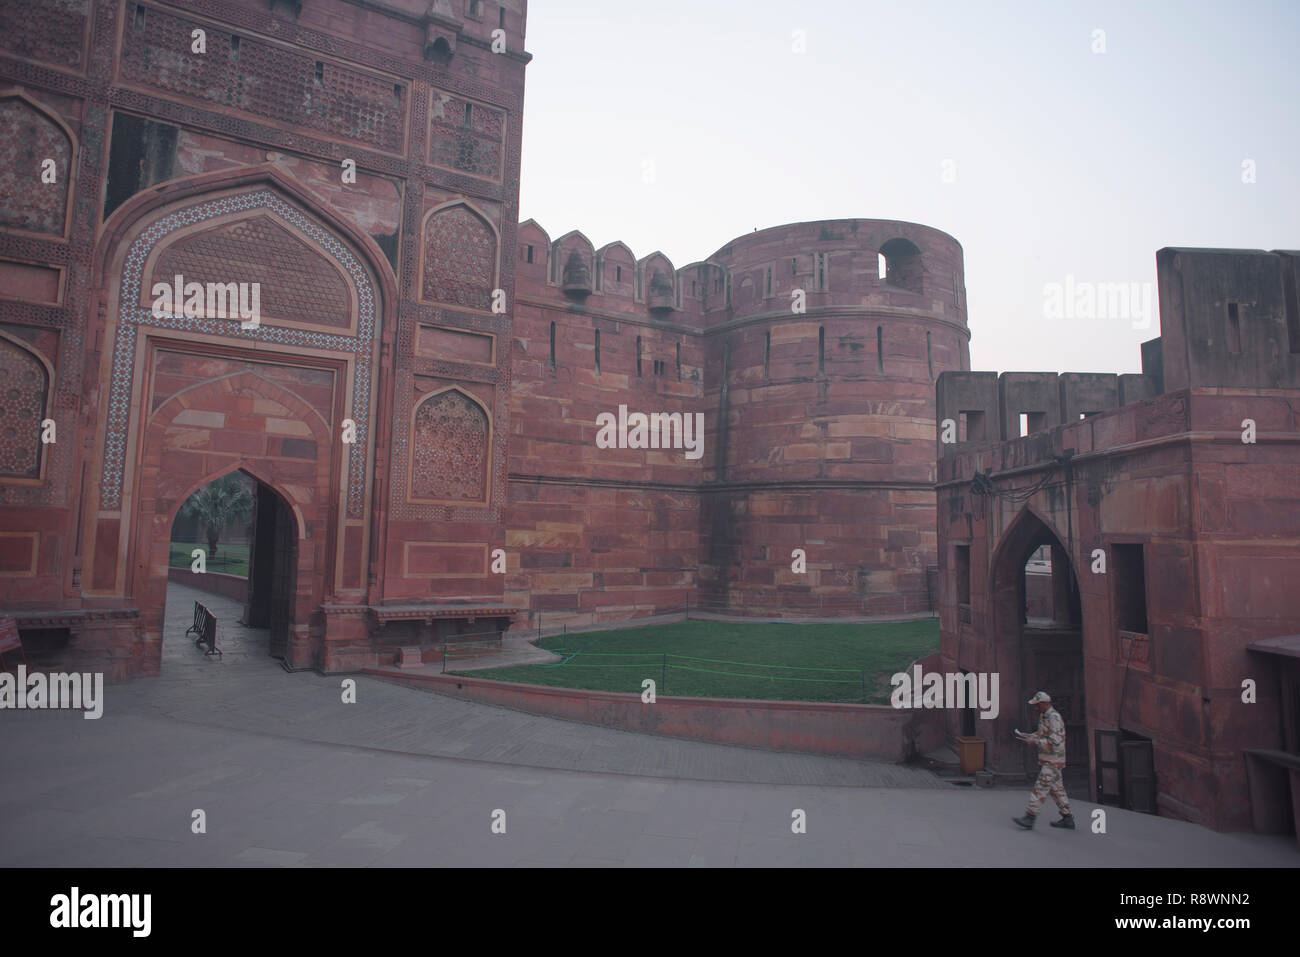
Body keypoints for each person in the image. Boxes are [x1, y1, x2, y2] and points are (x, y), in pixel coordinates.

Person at [1012, 691, 1074, 830]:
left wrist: (1035, 742)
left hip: (1053, 760)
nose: (1036, 708)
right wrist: (1028, 736)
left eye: (1038, 705)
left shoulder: (1054, 718)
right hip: (1050, 760)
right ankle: (1067, 818)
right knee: (1057, 789)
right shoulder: (1044, 716)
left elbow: (1055, 741)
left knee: (1040, 788)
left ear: (1045, 704)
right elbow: (1041, 734)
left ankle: (1030, 817)